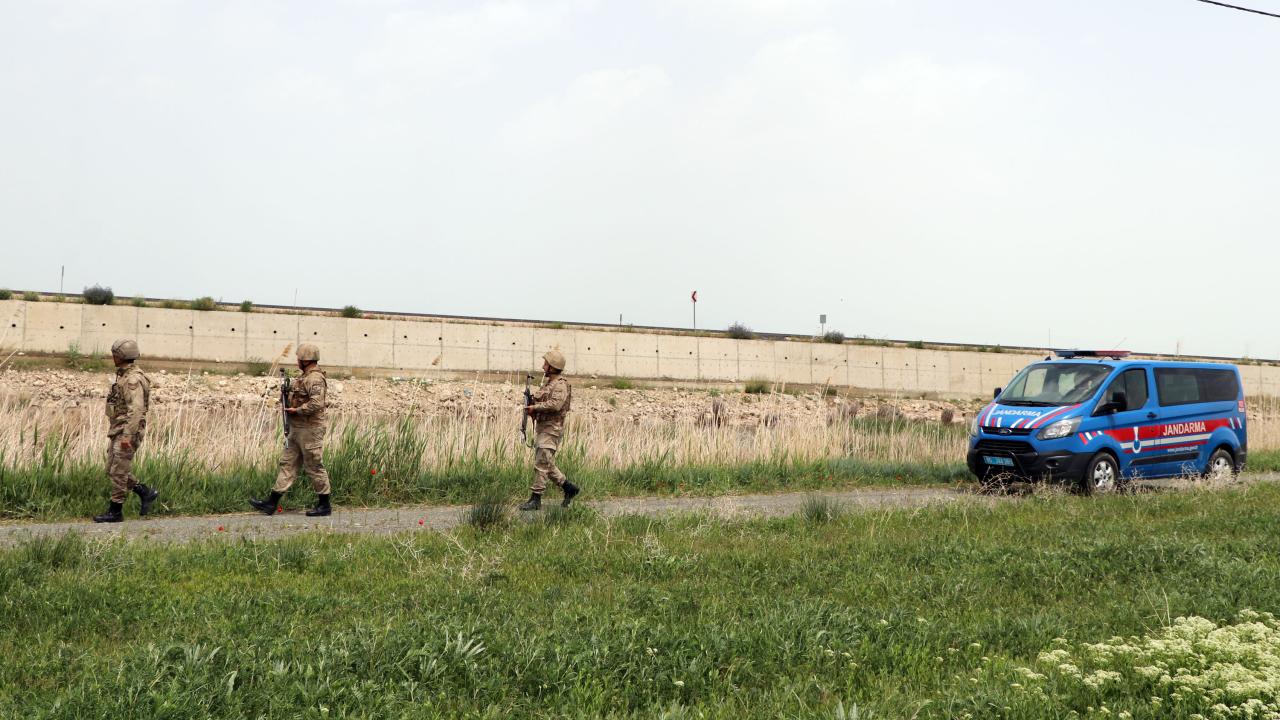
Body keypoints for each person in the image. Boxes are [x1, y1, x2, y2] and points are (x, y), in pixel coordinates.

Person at [250, 343, 332, 517]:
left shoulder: (315, 379)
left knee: (314, 465)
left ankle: (324, 505)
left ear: (306, 360)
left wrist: (298, 410)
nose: (297, 361)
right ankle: (271, 503)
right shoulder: (303, 377)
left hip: (311, 428)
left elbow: (317, 403)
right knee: (288, 463)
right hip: (297, 428)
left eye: (299, 359)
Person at [93, 339, 159, 523]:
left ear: (121, 356)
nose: (112, 357)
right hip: (119, 428)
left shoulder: (132, 380)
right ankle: (145, 492)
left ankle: (115, 511)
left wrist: (127, 437)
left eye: (115, 354)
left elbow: (136, 410)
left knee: (118, 471)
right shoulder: (124, 375)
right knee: (113, 469)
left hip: (127, 430)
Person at [519, 349, 580, 510]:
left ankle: (536, 498)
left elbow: (555, 404)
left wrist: (536, 407)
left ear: (552, 367)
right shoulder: (549, 384)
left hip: (552, 428)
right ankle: (569, 488)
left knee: (541, 461)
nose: (543, 366)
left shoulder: (560, 385)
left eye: (546, 364)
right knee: (546, 462)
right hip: (544, 427)